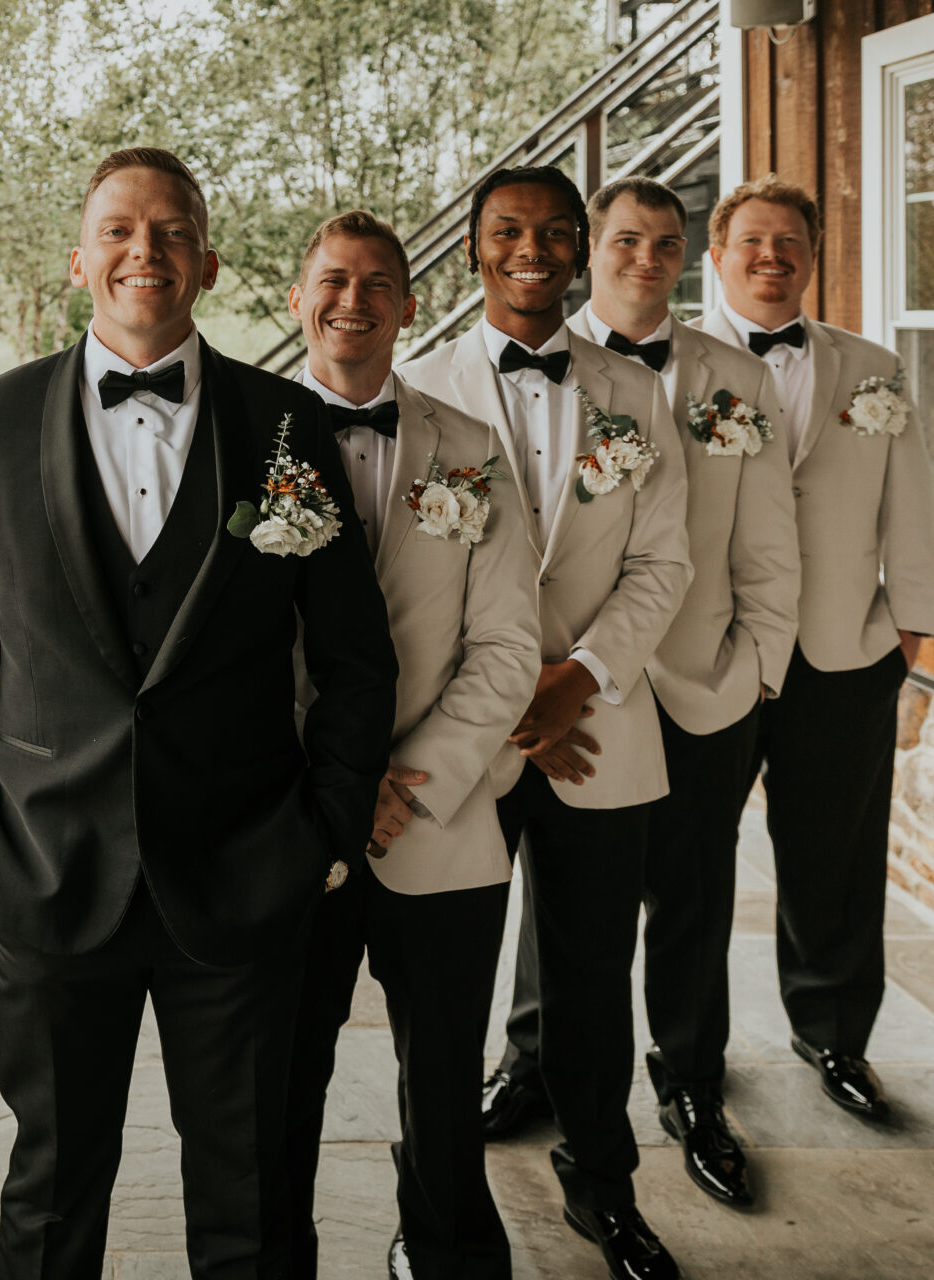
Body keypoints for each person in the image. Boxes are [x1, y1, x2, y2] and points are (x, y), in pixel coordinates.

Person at [0, 146, 398, 1278]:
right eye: (121, 231)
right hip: (42, 869)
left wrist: (322, 827)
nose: (147, 251)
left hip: (244, 870)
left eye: (173, 231)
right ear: (80, 259)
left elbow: (353, 657)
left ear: (210, 261)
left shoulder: (285, 424)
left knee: (252, 1189)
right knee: (47, 1188)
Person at [399, 164, 691, 1280]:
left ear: (579, 247)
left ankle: (603, 1187)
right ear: (473, 248)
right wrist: (498, 700)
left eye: (553, 232)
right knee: (442, 995)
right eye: (506, 231)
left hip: (596, 731)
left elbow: (666, 559)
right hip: (456, 738)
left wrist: (585, 674)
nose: (531, 249)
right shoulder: (417, 385)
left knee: (590, 982)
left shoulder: (636, 392)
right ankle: (434, 1204)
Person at [281, 210, 541, 1280]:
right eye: (333, 281)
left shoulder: (472, 452)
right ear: (300, 300)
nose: (354, 301)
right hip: (292, 821)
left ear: (411, 303)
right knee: (281, 1073)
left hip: (442, 821)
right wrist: (329, 784)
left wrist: (408, 781)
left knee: (441, 1069)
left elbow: (508, 644)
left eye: (378, 282)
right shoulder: (245, 441)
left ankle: (444, 1249)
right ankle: (271, 1253)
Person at [555, 177, 799, 1208]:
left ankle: (693, 1083)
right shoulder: (537, 365)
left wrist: (755, 677)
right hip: (582, 695)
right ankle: (539, 1064)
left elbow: (770, 550)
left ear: (684, 255)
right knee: (569, 913)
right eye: (625, 240)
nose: (644, 258)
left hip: (704, 690)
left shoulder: (734, 377)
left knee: (694, 900)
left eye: (664, 243)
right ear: (590, 250)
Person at [700, 174, 934, 1118]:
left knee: (834, 860)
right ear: (716, 256)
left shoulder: (873, 367)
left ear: (812, 256)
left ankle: (835, 1036)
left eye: (790, 242)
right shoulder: (664, 367)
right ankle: (691, 1053)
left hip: (844, 653)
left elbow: (911, 504)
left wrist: (905, 629)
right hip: (713, 656)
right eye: (752, 242)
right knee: (688, 865)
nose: (772, 258)